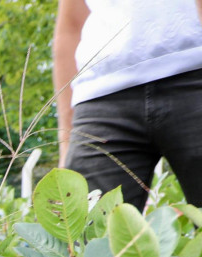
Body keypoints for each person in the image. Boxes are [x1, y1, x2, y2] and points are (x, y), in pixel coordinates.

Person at [54, 0, 202, 208]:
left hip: (194, 69)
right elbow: (71, 24)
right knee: (85, 235)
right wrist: (66, 138)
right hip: (101, 94)